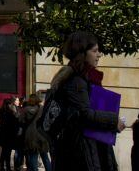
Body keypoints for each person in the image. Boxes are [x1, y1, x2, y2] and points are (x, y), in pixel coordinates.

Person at [48, 31, 124, 171]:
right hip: (80, 154)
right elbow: (84, 114)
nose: (99, 54)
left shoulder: (85, 78)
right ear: (82, 53)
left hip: (86, 149)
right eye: (95, 51)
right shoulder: (76, 81)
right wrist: (114, 121)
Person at [21, 94, 50, 171]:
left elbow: (21, 121)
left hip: (30, 134)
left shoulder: (25, 109)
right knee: (45, 157)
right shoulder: (42, 109)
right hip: (42, 134)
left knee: (33, 156)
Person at [0, 98, 21, 171]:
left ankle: (2, 167)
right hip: (10, 134)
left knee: (3, 151)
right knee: (8, 151)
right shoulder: (10, 112)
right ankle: (8, 167)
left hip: (3, 133)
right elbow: (15, 123)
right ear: (9, 104)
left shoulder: (1, 111)